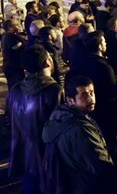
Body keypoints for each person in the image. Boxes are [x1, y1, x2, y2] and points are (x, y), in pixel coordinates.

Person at [42, 75, 115, 193]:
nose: (91, 99)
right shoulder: (80, 130)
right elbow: (98, 165)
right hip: (85, 187)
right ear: (70, 100)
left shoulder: (58, 118)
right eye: (84, 95)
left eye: (92, 93)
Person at [7, 45, 63, 193]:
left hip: (22, 149)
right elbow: (59, 124)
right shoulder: (53, 90)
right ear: (47, 63)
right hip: (46, 152)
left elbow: (9, 119)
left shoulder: (15, 90)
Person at [70, 31, 117, 159]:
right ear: (99, 46)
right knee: (109, 139)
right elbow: (112, 91)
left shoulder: (82, 64)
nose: (105, 44)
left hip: (89, 108)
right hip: (106, 110)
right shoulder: (105, 66)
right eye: (103, 41)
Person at [2, 18, 27, 91]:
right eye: (16, 25)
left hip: (13, 66)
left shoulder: (8, 35)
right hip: (13, 67)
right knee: (16, 88)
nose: (19, 26)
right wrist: (24, 42)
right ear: (10, 27)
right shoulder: (10, 37)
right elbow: (17, 47)